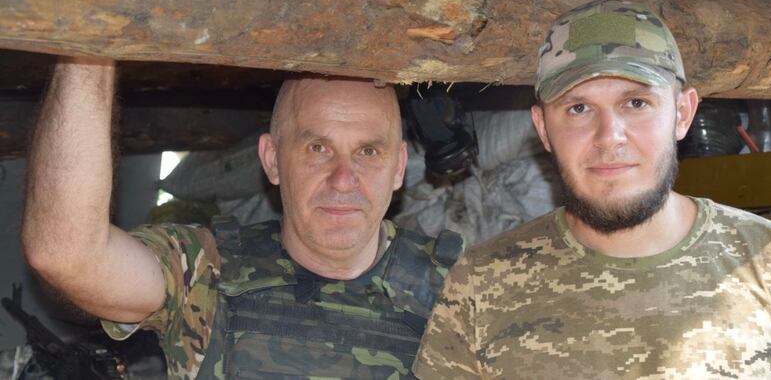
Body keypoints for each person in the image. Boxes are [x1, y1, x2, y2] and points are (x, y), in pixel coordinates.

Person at [413, 0, 771, 379]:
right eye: (578, 108)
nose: (609, 137)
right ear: (544, 129)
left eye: (635, 102)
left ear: (682, 114)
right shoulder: (481, 283)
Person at [21, 60, 463, 379]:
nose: (344, 179)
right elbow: (67, 252)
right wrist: (89, 51)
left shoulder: (464, 289)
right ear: (271, 159)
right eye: (317, 148)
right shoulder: (204, 271)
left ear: (400, 166)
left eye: (368, 151)